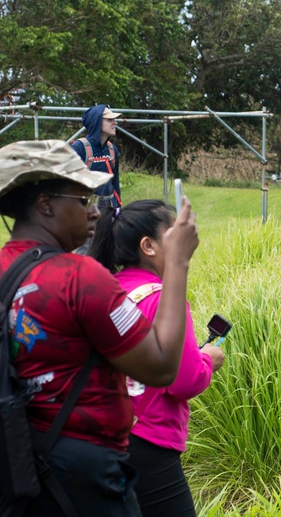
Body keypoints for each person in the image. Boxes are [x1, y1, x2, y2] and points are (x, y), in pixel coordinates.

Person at [0, 139, 199, 516]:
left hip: (18, 460)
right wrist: (177, 264)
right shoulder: (79, 277)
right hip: (84, 473)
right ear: (46, 206)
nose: (95, 212)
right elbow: (161, 367)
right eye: (82, 200)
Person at [89, 200, 224, 516]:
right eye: (173, 233)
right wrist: (208, 360)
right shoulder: (163, 299)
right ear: (148, 246)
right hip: (150, 442)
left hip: (102, 435)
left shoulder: (106, 290)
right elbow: (184, 380)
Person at [72, 104, 123, 209]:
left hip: (109, 209)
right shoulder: (79, 148)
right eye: (109, 120)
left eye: (114, 119)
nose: (115, 123)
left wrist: (118, 208)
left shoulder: (112, 150)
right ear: (97, 122)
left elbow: (115, 183)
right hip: (87, 211)